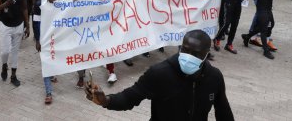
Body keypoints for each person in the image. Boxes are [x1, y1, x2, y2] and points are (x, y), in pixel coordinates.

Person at [85, 30, 234, 121]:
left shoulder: (214, 77)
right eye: (186, 50)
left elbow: (223, 111)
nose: (189, 56)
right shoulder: (159, 73)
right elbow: (131, 97)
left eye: (195, 54)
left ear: (206, 55)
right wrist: (106, 101)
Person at [33, 0, 63, 104]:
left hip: (57, 37)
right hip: (45, 38)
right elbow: (36, 23)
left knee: (53, 58)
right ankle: (48, 92)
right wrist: (38, 40)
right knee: (46, 62)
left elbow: (72, 5)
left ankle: (51, 75)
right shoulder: (39, 4)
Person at [69, 0, 98, 87]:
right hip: (78, 27)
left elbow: (96, 5)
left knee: (89, 52)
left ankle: (87, 73)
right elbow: (68, 8)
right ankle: (81, 76)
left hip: (91, 26)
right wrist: (73, 1)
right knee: (80, 51)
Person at [98, 0, 121, 83]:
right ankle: (111, 72)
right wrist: (100, 1)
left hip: (117, 25)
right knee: (108, 47)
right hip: (105, 26)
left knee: (111, 48)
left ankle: (109, 67)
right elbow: (96, 9)